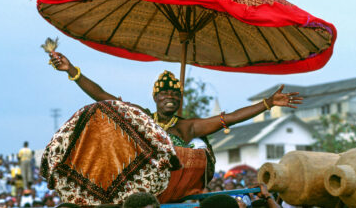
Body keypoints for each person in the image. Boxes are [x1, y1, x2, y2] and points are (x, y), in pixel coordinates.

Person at [47, 52, 303, 204]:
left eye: (174, 94)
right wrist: (73, 71)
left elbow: (231, 118)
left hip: (172, 190)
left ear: (180, 100)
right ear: (155, 98)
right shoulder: (140, 117)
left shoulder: (188, 127)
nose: (169, 97)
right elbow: (103, 96)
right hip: (138, 190)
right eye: (164, 94)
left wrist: (267, 103)